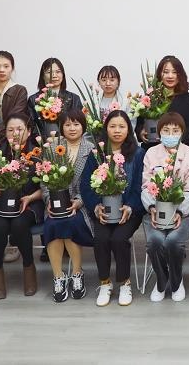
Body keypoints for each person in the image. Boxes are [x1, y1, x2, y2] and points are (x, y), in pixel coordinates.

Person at [80, 110, 145, 307]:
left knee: (119, 239)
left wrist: (130, 207)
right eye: (113, 126)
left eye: (122, 126)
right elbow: (86, 185)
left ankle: (125, 283)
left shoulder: (138, 154)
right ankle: (105, 282)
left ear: (129, 129)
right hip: (103, 211)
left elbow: (140, 186)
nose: (117, 131)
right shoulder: (96, 154)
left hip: (129, 211)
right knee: (101, 238)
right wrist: (95, 206)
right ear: (106, 129)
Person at [0, 114, 42, 300]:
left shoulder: (37, 156)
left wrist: (30, 197)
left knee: (19, 223)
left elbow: (46, 188)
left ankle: (29, 267)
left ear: (29, 132)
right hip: (0, 205)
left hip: (29, 203)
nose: (15, 134)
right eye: (10, 130)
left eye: (19, 129)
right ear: (5, 133)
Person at [141, 112, 189, 302]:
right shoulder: (151, 153)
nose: (171, 134)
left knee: (173, 241)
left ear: (182, 133)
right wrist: (152, 208)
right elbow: (146, 185)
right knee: (155, 241)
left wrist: (180, 211)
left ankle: (176, 281)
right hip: (155, 212)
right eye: (166, 130)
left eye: (175, 130)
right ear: (159, 132)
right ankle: (161, 280)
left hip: (184, 212)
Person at [41, 108, 95, 303]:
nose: (72, 128)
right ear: (61, 127)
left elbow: (93, 182)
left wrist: (79, 201)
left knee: (71, 222)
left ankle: (77, 273)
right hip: (56, 204)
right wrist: (49, 200)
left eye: (76, 124)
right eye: (67, 124)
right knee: (53, 224)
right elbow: (44, 180)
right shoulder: (52, 147)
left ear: (83, 126)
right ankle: (58, 277)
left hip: (83, 204)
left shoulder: (91, 149)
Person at [135, 55, 189, 149]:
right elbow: (140, 122)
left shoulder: (188, 100)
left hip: (179, 151)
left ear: (180, 75)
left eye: (174, 72)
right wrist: (141, 132)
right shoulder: (150, 97)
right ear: (159, 74)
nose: (170, 76)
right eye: (166, 72)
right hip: (152, 151)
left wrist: (176, 140)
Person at [26, 57, 82, 139]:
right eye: (49, 72)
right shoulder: (33, 99)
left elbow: (79, 124)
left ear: (63, 75)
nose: (54, 75)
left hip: (69, 142)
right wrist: (44, 139)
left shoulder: (74, 98)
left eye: (58, 72)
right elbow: (31, 126)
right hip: (43, 143)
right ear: (43, 76)